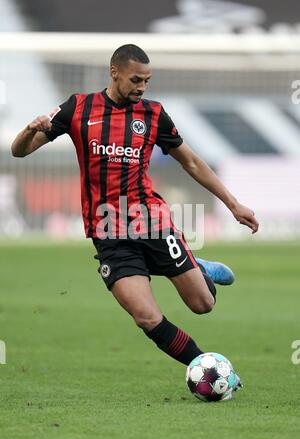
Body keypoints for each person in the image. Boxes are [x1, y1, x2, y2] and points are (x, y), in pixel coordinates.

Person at [11, 44, 258, 381]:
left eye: (147, 81)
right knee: (146, 317)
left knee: (202, 304)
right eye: (135, 80)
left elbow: (192, 161)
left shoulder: (153, 114)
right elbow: (20, 152)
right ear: (114, 73)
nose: (141, 87)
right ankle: (211, 369)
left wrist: (233, 204)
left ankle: (197, 269)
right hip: (108, 232)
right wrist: (29, 130)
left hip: (151, 222)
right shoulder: (78, 108)